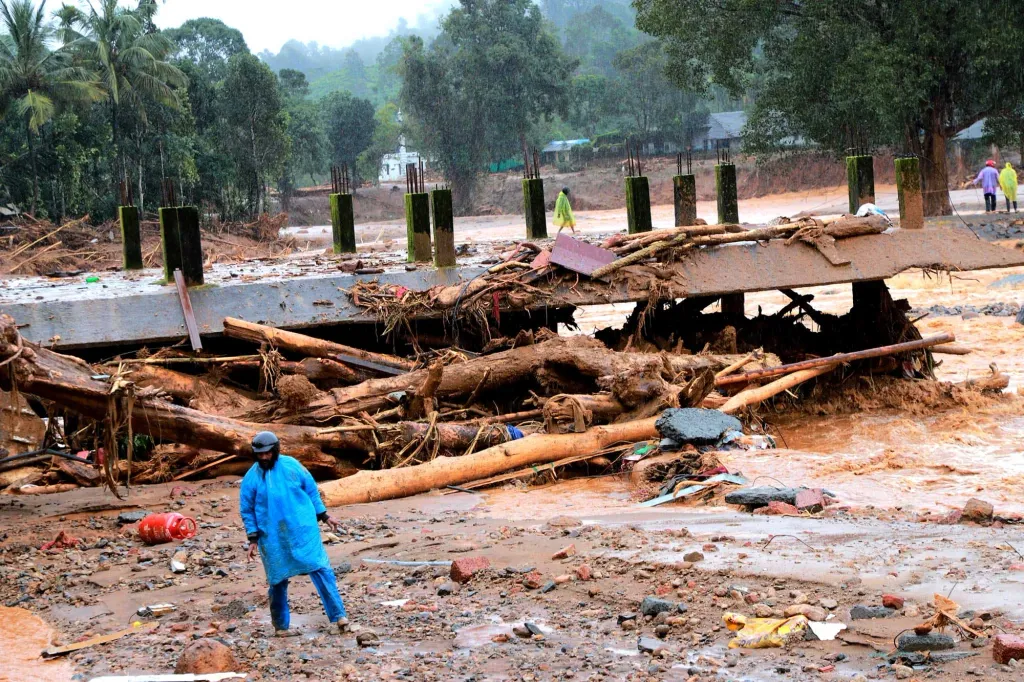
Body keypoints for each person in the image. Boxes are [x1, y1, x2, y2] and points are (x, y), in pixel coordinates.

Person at [240, 431, 349, 637]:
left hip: (302, 529)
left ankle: (339, 617)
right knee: (277, 580)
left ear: (275, 450)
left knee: (320, 569)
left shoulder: (292, 466)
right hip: (271, 535)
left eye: (267, 453)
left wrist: (325, 515)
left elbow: (311, 490)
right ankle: (281, 627)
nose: (264, 458)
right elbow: (247, 510)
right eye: (260, 454)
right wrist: (253, 539)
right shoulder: (250, 479)